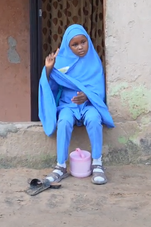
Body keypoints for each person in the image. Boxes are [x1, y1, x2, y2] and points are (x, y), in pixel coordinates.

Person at [38, 24, 115, 185]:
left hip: (88, 106)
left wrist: (87, 96)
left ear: (88, 42)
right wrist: (49, 70)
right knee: (64, 121)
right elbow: (51, 88)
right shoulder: (61, 62)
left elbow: (99, 90)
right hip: (68, 105)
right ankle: (60, 166)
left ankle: (97, 163)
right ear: (68, 46)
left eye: (83, 42)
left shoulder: (94, 62)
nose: (80, 47)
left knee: (94, 120)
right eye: (75, 44)